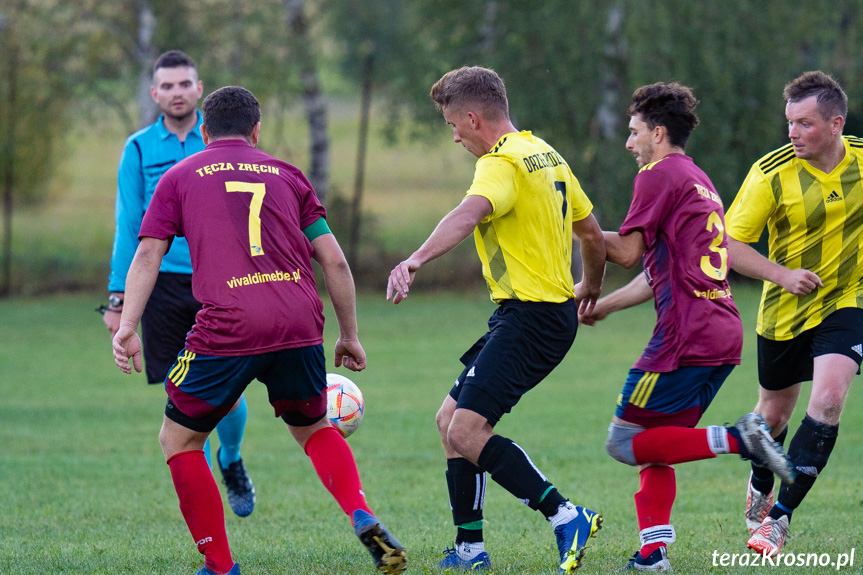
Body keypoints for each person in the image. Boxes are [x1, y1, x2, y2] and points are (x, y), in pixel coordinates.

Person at [112, 85, 407, 575]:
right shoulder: (288, 175)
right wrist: (349, 335)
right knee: (313, 428)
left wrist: (126, 326)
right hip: (298, 319)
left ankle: (220, 566)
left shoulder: (179, 175)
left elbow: (148, 253)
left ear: (204, 132)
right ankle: (361, 513)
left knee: (180, 440)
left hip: (229, 324)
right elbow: (332, 258)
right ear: (256, 130)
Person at [386, 66, 607, 574]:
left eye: (452, 126)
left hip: (531, 319)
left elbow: (467, 214)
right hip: (533, 315)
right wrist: (590, 287)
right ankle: (469, 549)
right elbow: (592, 234)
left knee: (466, 430)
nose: (456, 137)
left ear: (471, 116)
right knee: (449, 422)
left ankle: (565, 514)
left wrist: (416, 259)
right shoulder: (545, 154)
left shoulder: (500, 162)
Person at [579, 82, 793, 572]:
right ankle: (654, 555)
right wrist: (605, 305)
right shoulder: (696, 178)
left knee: (624, 441)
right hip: (720, 331)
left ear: (657, 133)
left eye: (634, 133)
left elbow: (628, 252)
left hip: (685, 338)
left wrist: (579, 225)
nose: (629, 143)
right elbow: (660, 269)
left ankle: (744, 438)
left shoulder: (657, 175)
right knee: (661, 447)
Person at [103, 50, 255, 517]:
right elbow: (130, 224)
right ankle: (207, 488)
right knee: (184, 397)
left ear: (198, 89)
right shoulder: (140, 149)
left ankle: (230, 459)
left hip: (223, 281)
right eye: (165, 86)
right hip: (164, 286)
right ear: (154, 94)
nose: (175, 93)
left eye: (183, 84)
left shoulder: (221, 143)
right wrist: (118, 296)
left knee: (228, 395)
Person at [725, 70, 863, 557]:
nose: (792, 133)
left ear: (835, 124)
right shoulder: (771, 172)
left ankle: (778, 521)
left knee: (826, 401)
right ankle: (761, 474)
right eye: (789, 123)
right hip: (784, 309)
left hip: (848, 301)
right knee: (773, 415)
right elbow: (726, 243)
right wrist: (782, 275)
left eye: (804, 124)